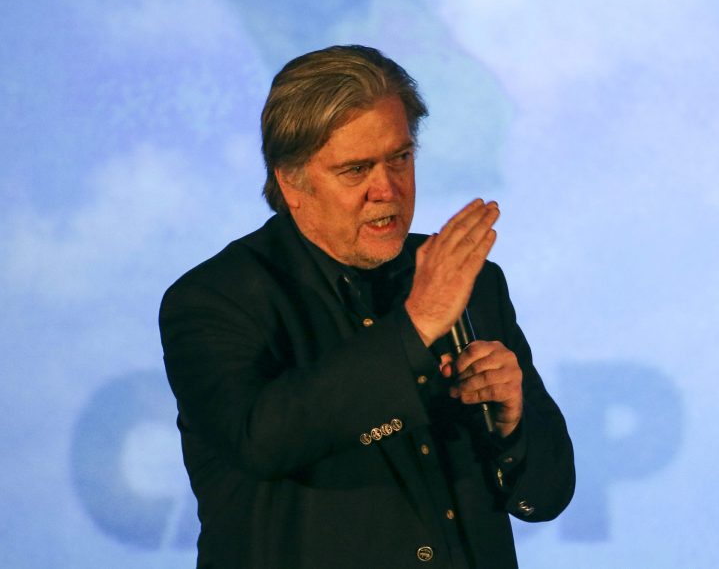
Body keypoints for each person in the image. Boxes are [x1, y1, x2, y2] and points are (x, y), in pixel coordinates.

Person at [159, 45, 575, 569]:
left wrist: (512, 424)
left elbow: (549, 494)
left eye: (400, 158)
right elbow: (262, 439)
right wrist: (416, 326)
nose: (387, 190)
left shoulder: (470, 282)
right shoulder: (214, 300)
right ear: (292, 181)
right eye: (356, 170)